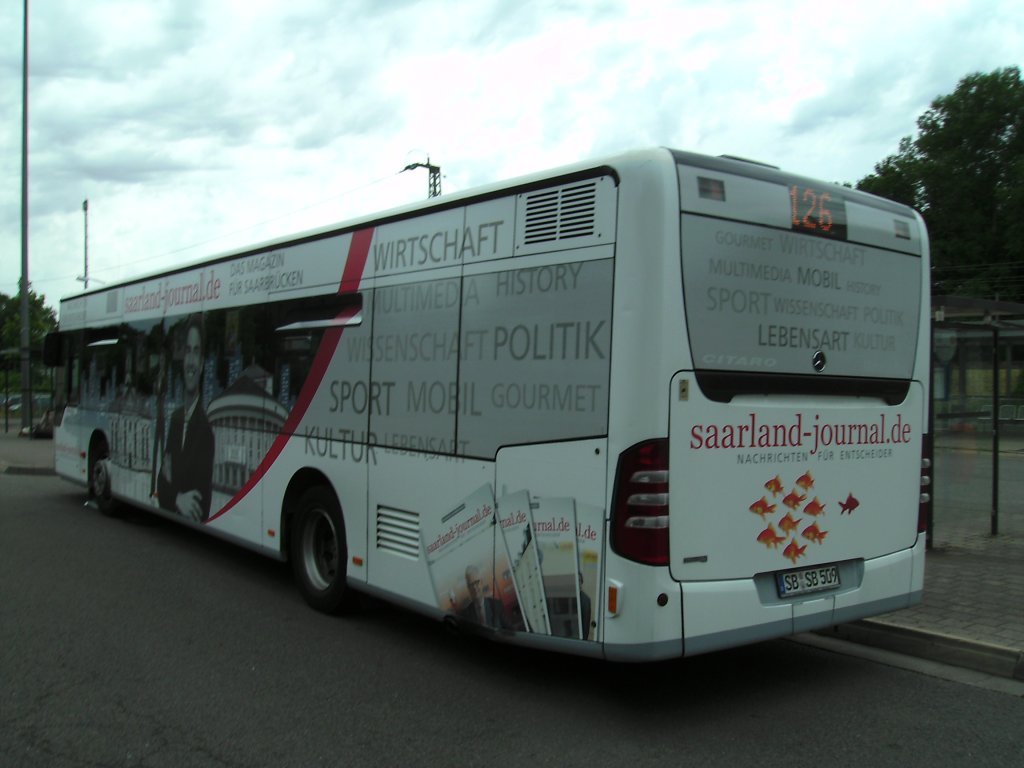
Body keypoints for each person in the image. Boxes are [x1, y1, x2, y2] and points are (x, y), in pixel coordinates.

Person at [158, 315, 214, 521]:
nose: (190, 361)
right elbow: (160, 482)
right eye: (188, 351)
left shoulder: (206, 431)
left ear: (201, 364)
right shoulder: (175, 418)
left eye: (197, 351)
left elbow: (200, 507)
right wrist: (177, 498)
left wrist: (170, 491)